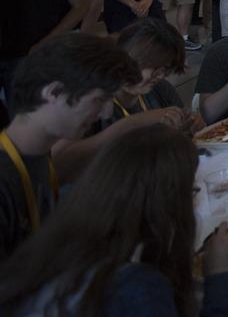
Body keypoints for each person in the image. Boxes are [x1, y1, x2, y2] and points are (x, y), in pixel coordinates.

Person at [1, 124, 228, 317]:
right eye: (189, 192)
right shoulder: (132, 289)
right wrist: (221, 278)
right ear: (167, 202)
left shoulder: (54, 251)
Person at [0, 34, 139, 257]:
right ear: (53, 92)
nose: (106, 112)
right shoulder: (6, 176)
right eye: (99, 100)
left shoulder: (38, 158)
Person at [50, 18, 196, 182]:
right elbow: (57, 165)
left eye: (166, 69)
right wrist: (132, 124)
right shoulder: (92, 99)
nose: (160, 76)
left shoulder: (161, 90)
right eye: (154, 67)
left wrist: (184, 130)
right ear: (129, 56)